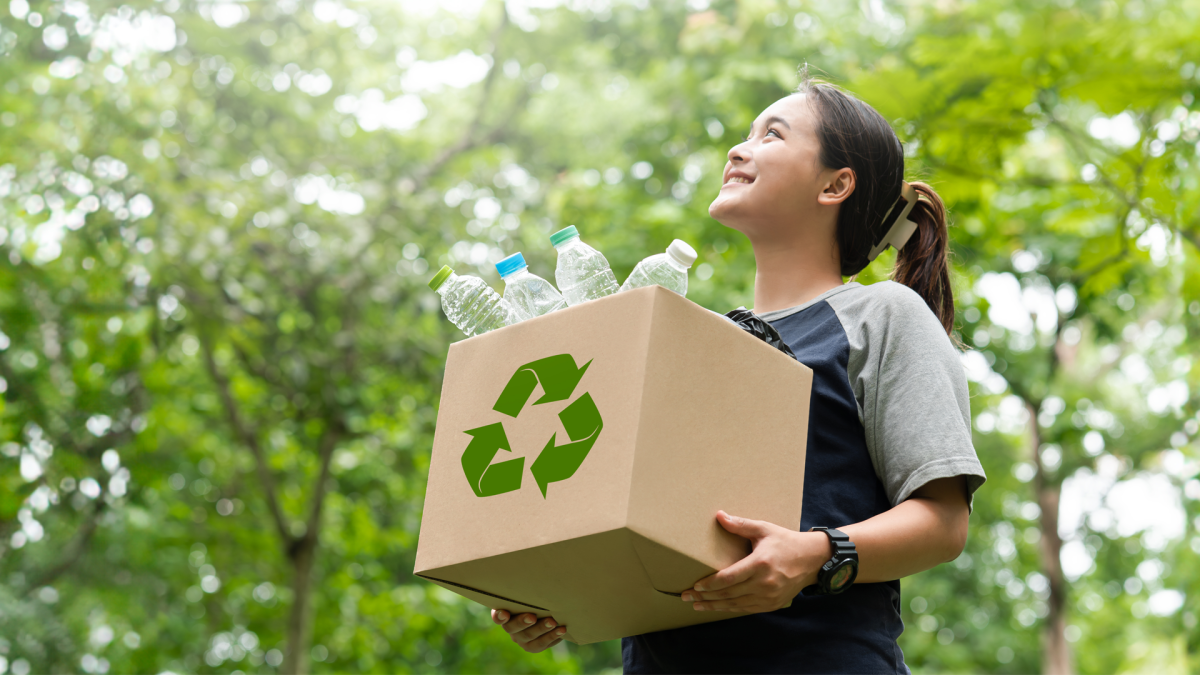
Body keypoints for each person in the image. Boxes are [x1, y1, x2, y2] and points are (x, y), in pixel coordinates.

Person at [489, 70, 987, 674]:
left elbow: (942, 521)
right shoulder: (701, 340)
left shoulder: (880, 315)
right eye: (746, 134)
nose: (737, 148)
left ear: (836, 184)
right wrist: (554, 586)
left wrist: (815, 555)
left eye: (772, 135)